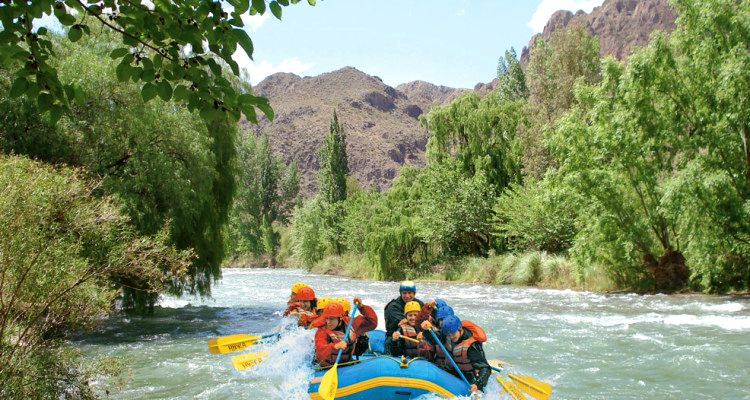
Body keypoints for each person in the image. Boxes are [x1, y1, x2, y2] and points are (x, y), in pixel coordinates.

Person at [314, 297, 378, 367]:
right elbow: (320, 352)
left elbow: (372, 323)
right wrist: (334, 347)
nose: (328, 322)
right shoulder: (322, 331)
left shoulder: (351, 323)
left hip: (347, 363)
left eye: (331, 319)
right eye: (327, 318)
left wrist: (362, 307)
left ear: (340, 318)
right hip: (327, 366)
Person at [437, 315, 492, 394]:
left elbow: (485, 368)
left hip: (469, 378)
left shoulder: (471, 345)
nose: (451, 337)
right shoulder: (448, 334)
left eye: (453, 334)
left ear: (460, 328)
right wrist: (426, 330)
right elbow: (434, 338)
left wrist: (477, 384)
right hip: (453, 372)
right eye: (448, 335)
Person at [384, 280, 423, 354]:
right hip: (395, 336)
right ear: (400, 293)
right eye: (404, 293)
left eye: (410, 293)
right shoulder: (393, 306)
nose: (407, 296)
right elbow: (410, 323)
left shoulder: (419, 304)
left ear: (414, 294)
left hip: (416, 337)